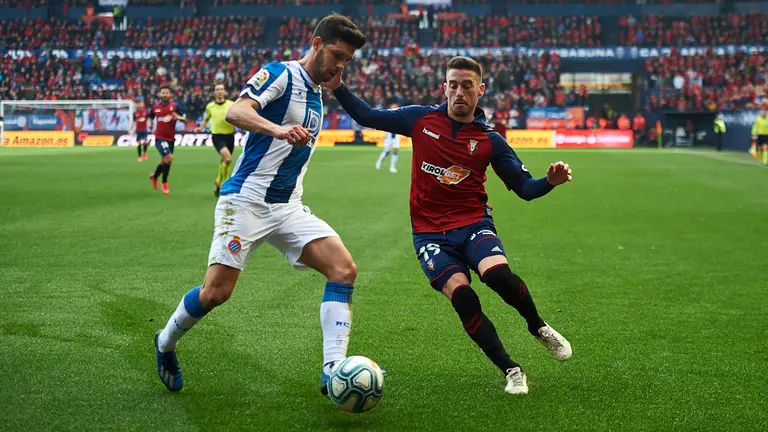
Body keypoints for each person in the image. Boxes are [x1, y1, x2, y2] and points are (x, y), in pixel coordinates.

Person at [328, 56, 572, 395]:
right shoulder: (420, 119)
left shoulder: (490, 141)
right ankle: (511, 369)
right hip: (429, 233)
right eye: (453, 85)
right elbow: (368, 115)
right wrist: (337, 85)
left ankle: (538, 326)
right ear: (444, 87)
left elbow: (525, 189)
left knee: (498, 275)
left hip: (473, 224)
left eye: (467, 85)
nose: (459, 92)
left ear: (480, 90)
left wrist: (549, 181)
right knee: (463, 297)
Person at [153, 14, 367, 396]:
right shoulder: (280, 74)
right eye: (337, 54)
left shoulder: (319, 92)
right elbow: (237, 111)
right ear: (316, 44)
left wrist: (337, 84)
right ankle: (165, 342)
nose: (340, 65)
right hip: (246, 201)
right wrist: (278, 129)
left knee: (343, 269)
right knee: (216, 293)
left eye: (347, 60)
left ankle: (333, 369)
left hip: (288, 207)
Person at [195, 83, 236, 197]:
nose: (219, 91)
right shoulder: (210, 106)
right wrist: (200, 128)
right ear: (214, 92)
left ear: (225, 92)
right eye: (217, 89)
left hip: (230, 135)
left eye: (222, 89)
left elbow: (238, 115)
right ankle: (226, 183)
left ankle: (218, 182)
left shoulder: (231, 104)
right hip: (217, 136)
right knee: (227, 159)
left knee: (224, 161)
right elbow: (206, 119)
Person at [148, 86, 186, 195]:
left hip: (171, 139)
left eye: (166, 93)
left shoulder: (175, 107)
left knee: (164, 161)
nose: (164, 95)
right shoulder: (155, 108)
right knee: (169, 158)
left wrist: (178, 117)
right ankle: (164, 182)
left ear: (170, 95)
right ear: (159, 95)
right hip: (159, 138)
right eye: (163, 93)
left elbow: (185, 119)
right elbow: (150, 117)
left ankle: (154, 177)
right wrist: (150, 125)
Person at [375, 103, 401, 173]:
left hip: (396, 135)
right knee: (387, 151)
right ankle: (379, 162)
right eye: (393, 107)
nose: (395, 108)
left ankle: (392, 167)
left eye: (396, 107)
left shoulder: (400, 114)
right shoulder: (388, 114)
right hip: (389, 136)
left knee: (395, 150)